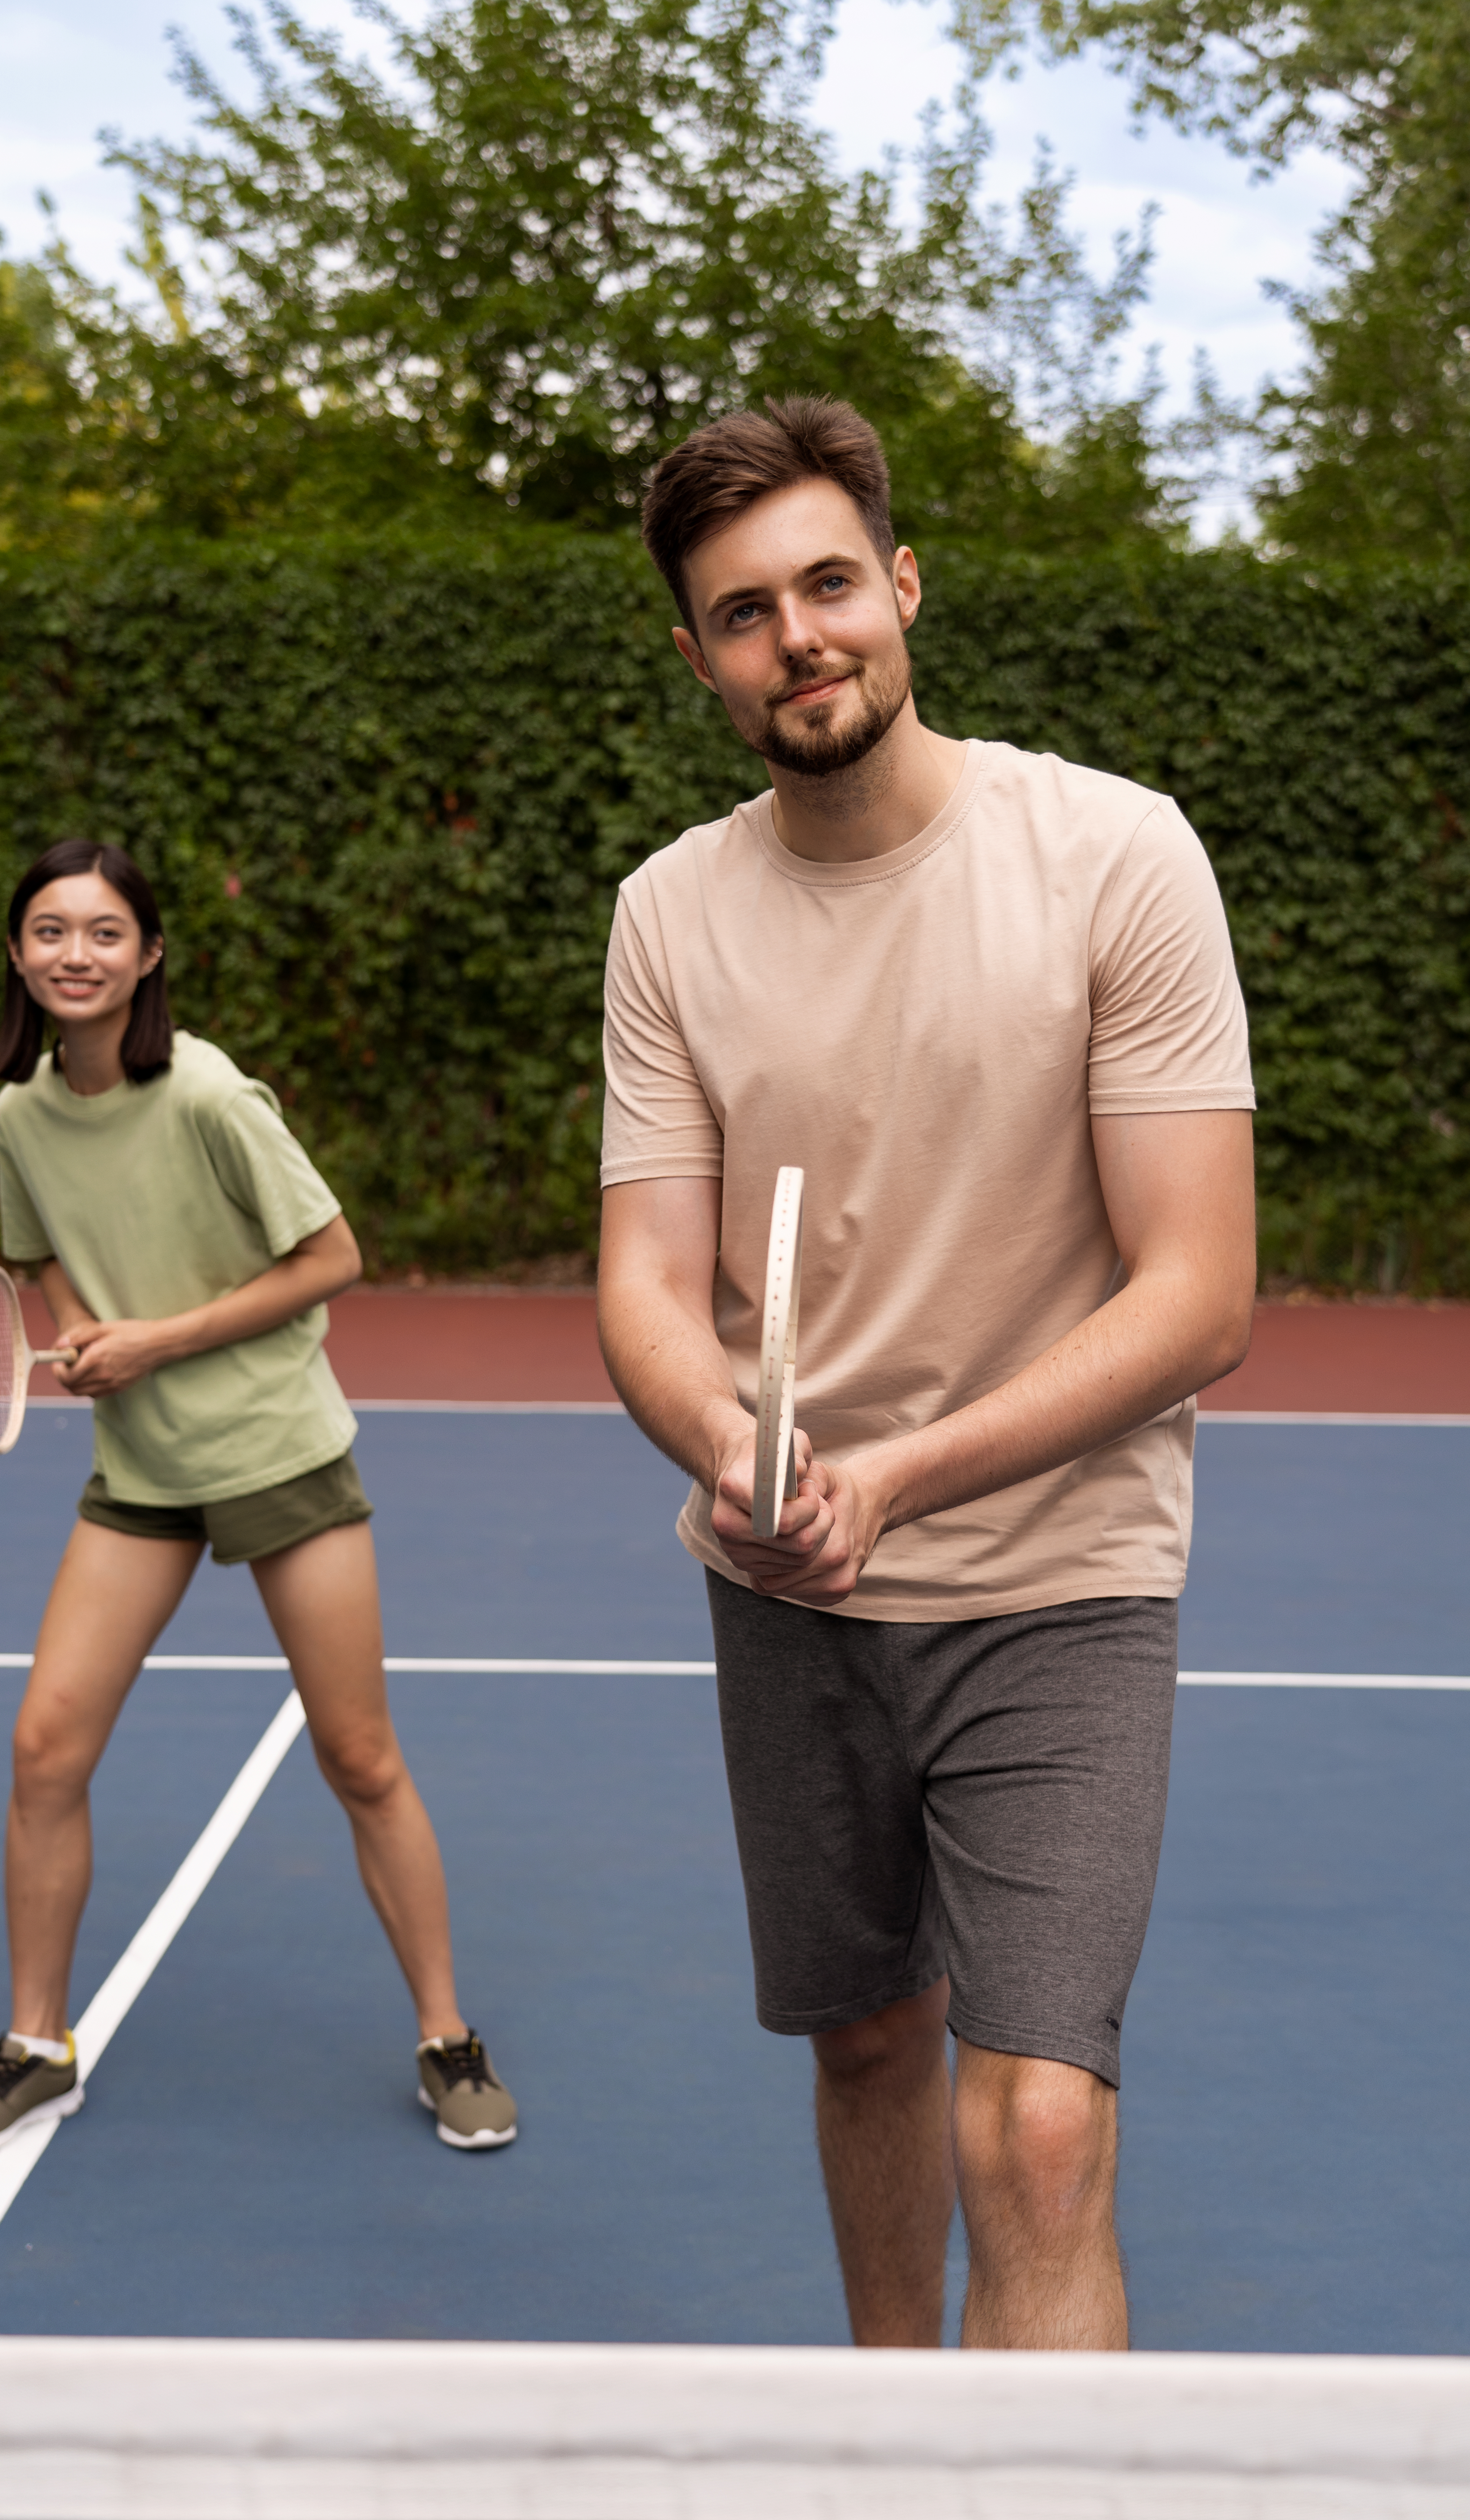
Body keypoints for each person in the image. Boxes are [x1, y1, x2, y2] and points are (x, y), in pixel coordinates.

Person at [595, 398, 1255, 2349]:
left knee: (1039, 2132)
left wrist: (895, 1479)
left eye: (824, 585)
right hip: (788, 1596)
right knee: (871, 2048)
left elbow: (1197, 1290)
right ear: (701, 657)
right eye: (741, 612)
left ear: (898, 585)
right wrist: (741, 1452)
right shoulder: (665, 915)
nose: (796, 638)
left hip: (1061, 1581)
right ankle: (890, 2438)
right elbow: (642, 1278)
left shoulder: (1115, 859)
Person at [0, 838, 516, 2157]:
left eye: (103, 931)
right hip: (139, 1471)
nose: (74, 953)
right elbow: (43, 1266)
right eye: (48, 930)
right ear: (18, 954)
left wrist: (159, 1338)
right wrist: (84, 1330)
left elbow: (333, 1256)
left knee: (360, 1758)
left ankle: (446, 2035)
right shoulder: (20, 1112)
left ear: (148, 955)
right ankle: (35, 2045)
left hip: (275, 1450)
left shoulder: (206, 1096)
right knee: (44, 1748)